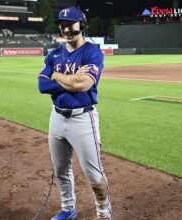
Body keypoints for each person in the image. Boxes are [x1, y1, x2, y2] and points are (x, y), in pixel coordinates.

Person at [38, 7, 112, 220]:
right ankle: (68, 209)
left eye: (70, 23)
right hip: (57, 117)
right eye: (62, 24)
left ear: (82, 25)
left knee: (94, 175)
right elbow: (42, 85)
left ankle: (103, 214)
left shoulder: (92, 52)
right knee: (61, 170)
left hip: (83, 118)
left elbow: (83, 84)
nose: (66, 28)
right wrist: (65, 80)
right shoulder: (54, 54)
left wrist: (56, 76)